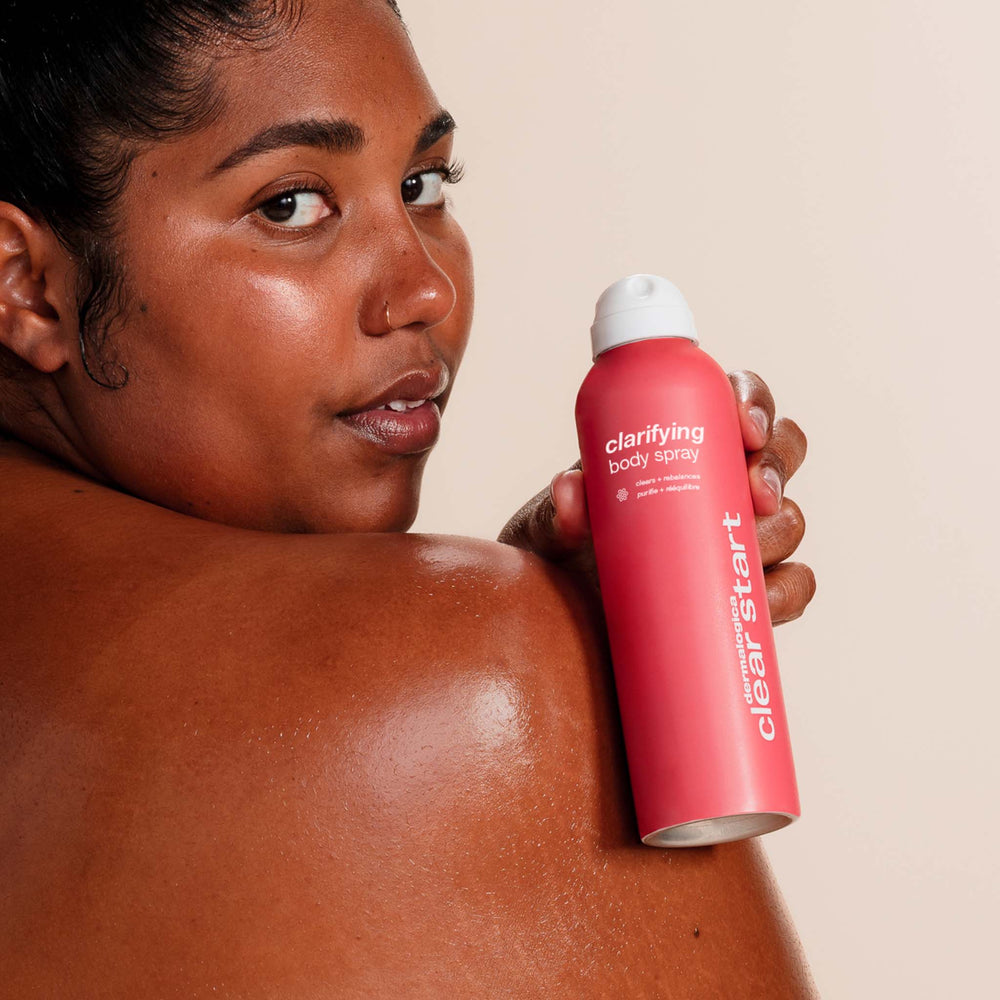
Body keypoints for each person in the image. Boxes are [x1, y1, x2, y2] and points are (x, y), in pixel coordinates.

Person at [0, 0, 817, 995]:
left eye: (423, 184)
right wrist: (516, 658)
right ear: (26, 284)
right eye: (291, 204)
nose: (423, 289)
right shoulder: (464, 683)